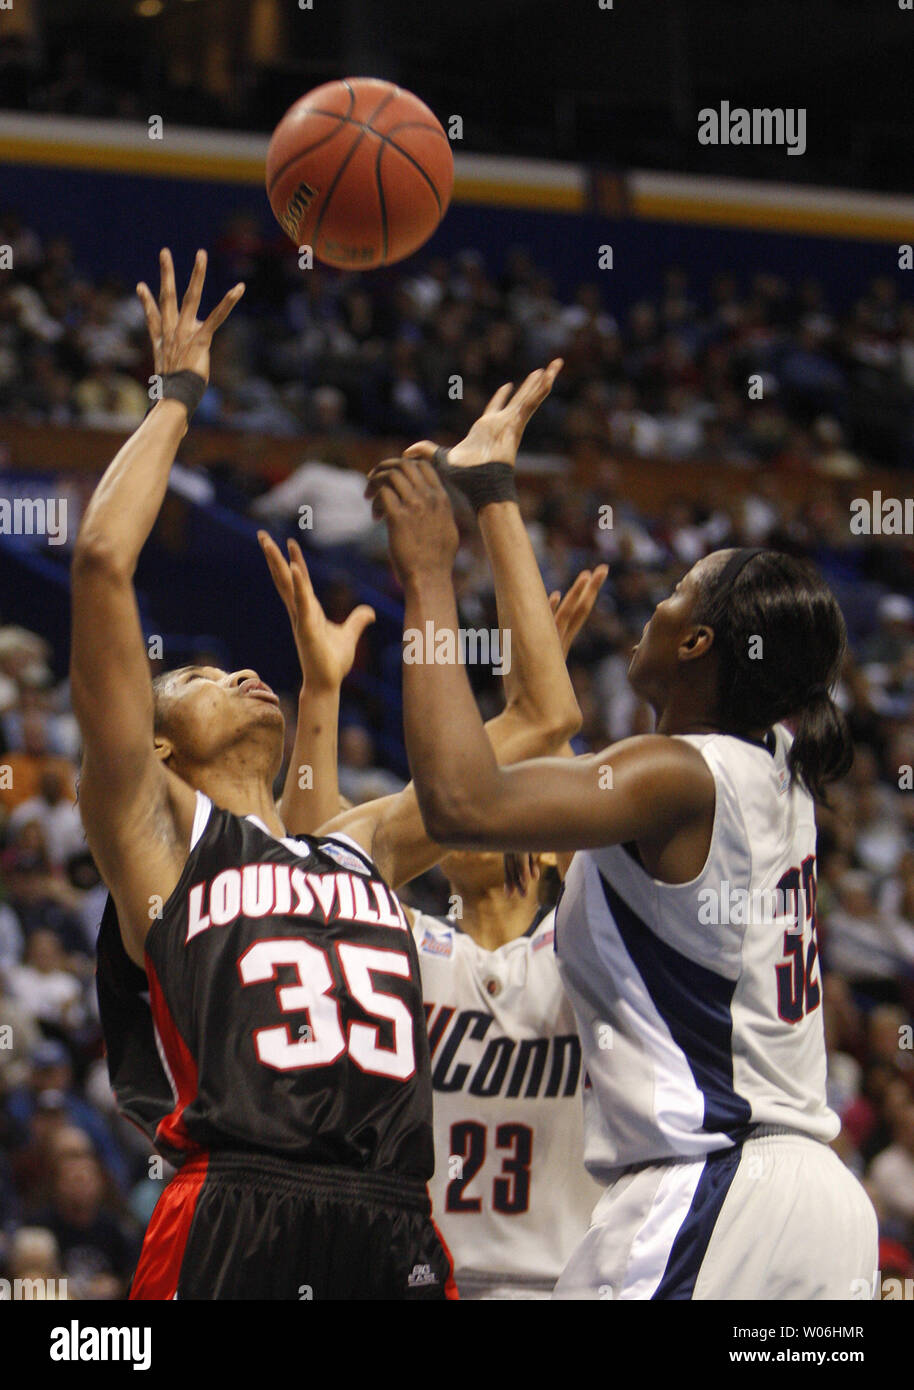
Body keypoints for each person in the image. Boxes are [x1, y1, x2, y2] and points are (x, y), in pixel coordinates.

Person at [367, 453, 879, 1301]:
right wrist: (496, 493)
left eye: (676, 591)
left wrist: (426, 577)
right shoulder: (776, 763)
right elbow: (550, 728)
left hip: (712, 1194)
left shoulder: (676, 775)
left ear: (697, 640)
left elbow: (461, 800)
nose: (653, 605)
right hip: (815, 1207)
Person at [76, 249, 454, 1300]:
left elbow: (514, 743)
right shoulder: (154, 831)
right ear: (155, 747)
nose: (243, 671)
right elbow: (104, 560)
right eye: (198, 675)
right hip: (235, 1204)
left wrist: (448, 565)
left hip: (395, 1219)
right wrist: (178, 397)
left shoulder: (353, 843)